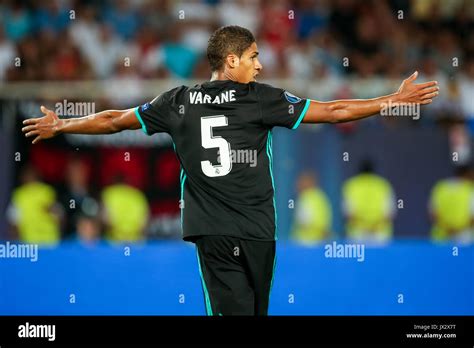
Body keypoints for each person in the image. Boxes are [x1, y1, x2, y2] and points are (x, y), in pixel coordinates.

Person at [22, 25, 439, 315]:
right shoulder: (262, 99)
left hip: (217, 231)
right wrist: (390, 99)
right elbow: (335, 111)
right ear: (232, 60)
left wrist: (64, 123)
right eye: (254, 57)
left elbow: (114, 120)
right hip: (255, 228)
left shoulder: (177, 101)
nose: (259, 66)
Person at [342, 160, 396, 244]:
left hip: (357, 235)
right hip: (380, 235)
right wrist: (374, 227)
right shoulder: (383, 185)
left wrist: (364, 227)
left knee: (358, 257)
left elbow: (348, 214)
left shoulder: (351, 185)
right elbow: (390, 213)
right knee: (380, 257)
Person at [429, 165, 474, 243]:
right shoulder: (471, 189)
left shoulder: (440, 187)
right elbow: (472, 218)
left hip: (440, 239)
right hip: (465, 240)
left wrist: (447, 229)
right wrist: (457, 231)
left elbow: (433, 214)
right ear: (468, 175)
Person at [290, 171, 332, 244]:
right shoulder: (321, 196)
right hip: (320, 241)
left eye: (301, 181)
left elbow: (304, 221)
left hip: (305, 243)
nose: (298, 184)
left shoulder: (305, 197)